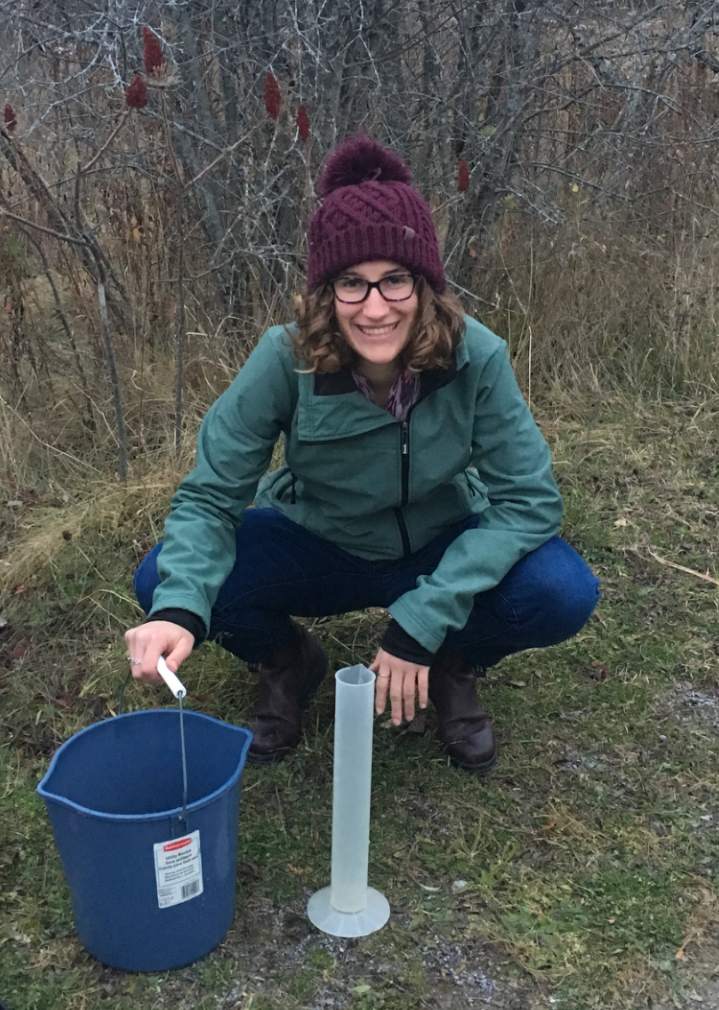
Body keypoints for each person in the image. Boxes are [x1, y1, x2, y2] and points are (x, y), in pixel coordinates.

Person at [125, 133, 599, 774]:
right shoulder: (283, 358)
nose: (375, 309)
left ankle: (455, 665)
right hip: (323, 542)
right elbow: (211, 495)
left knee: (560, 590)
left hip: (438, 542)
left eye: (394, 281)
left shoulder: (476, 355)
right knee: (161, 580)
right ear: (326, 293)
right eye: (352, 283)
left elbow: (529, 502)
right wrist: (181, 609)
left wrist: (422, 623)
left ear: (425, 285)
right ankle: (288, 662)